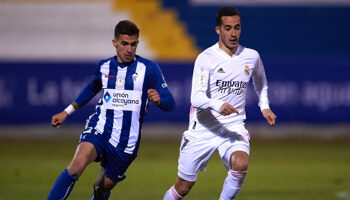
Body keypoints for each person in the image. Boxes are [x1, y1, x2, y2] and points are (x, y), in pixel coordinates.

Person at [47, 20, 175, 200]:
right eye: (124, 44)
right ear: (114, 43)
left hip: (126, 141)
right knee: (75, 168)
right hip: (100, 128)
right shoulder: (104, 66)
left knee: (101, 188)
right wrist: (67, 111)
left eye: (133, 44)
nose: (129, 49)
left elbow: (171, 103)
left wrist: (160, 100)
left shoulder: (149, 69)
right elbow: (92, 88)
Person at [163, 7, 276, 200]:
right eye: (228, 28)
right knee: (183, 187)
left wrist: (264, 106)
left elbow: (261, 81)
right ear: (218, 30)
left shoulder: (251, 56)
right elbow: (196, 98)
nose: (233, 33)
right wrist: (218, 105)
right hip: (203, 128)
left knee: (240, 164)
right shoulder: (206, 58)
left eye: (237, 28)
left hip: (233, 126)